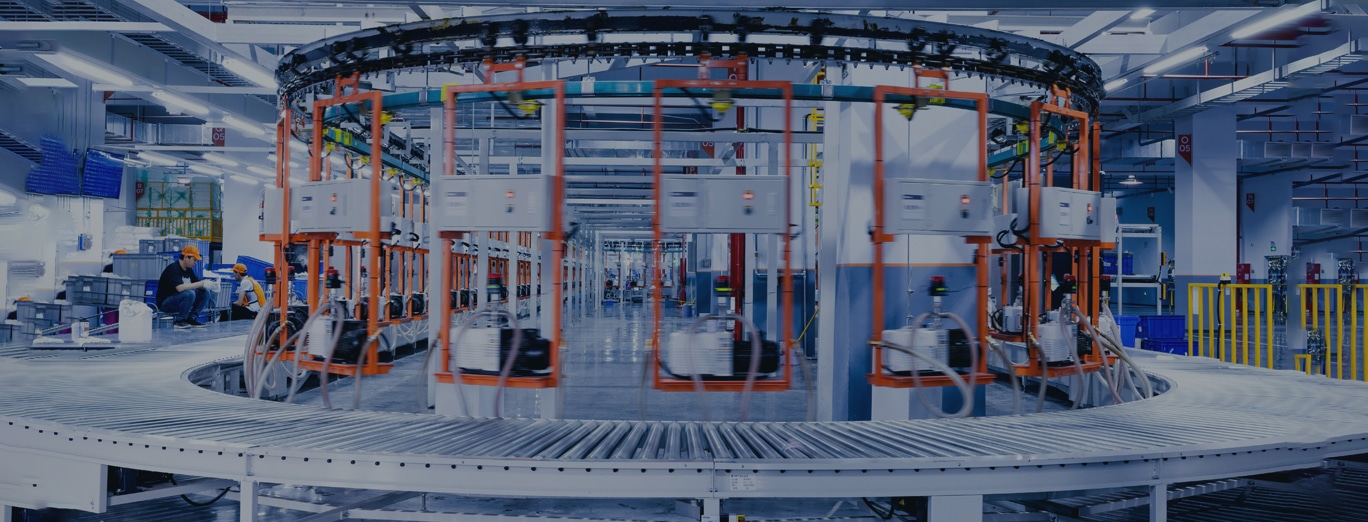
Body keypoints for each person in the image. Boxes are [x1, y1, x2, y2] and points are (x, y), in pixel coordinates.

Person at [157, 245, 212, 329]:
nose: (195, 263)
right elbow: (180, 288)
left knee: (204, 293)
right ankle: (180, 320)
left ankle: (191, 318)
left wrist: (208, 285)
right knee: (189, 293)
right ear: (186, 257)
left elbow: (197, 283)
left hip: (179, 300)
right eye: (194, 260)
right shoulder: (173, 268)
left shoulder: (188, 270)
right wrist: (201, 283)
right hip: (166, 303)